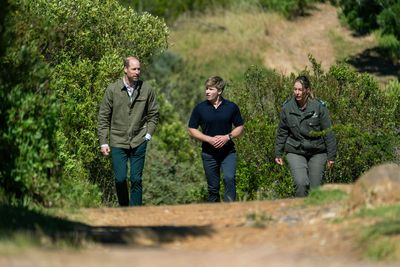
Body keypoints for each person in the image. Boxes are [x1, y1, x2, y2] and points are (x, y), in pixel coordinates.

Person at [98, 56, 159, 206]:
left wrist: (148, 134)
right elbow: (103, 118)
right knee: (120, 179)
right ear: (125, 69)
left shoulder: (147, 89)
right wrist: (103, 142)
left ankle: (135, 212)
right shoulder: (112, 90)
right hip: (118, 140)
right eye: (134, 69)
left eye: (139, 69)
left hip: (139, 140)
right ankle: (125, 209)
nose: (137, 72)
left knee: (136, 179)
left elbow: (154, 114)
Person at [274, 75, 336, 197]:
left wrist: (331, 156)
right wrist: (278, 153)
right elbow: (282, 132)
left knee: (315, 188)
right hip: (295, 150)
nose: (297, 93)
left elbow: (328, 132)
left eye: (300, 90)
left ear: (307, 90)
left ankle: (314, 213)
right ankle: (301, 210)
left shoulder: (319, 107)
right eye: (295, 89)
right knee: (301, 183)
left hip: (317, 151)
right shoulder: (287, 108)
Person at [188, 76, 244, 202]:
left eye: (211, 89)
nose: (207, 91)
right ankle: (214, 216)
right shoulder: (200, 108)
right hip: (208, 154)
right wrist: (208, 139)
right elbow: (191, 129)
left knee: (229, 179)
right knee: (213, 188)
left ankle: (230, 211)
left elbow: (240, 128)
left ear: (219, 91)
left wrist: (227, 137)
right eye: (206, 89)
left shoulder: (231, 107)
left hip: (228, 153)